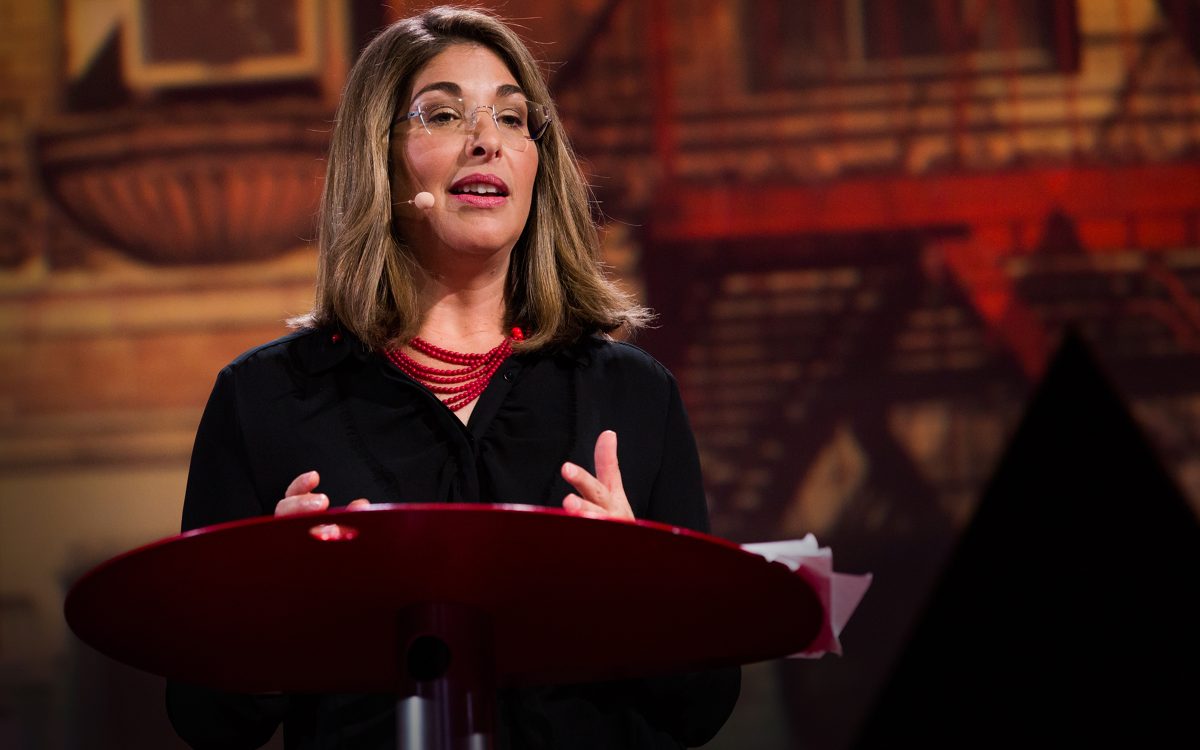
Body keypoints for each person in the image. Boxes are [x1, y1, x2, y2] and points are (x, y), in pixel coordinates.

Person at [166, 5, 741, 748]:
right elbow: (207, 722)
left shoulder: (633, 396)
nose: (486, 142)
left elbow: (702, 709)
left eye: (512, 119)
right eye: (442, 115)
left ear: (540, 164)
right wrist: (272, 609)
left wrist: (641, 589)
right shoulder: (265, 399)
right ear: (379, 156)